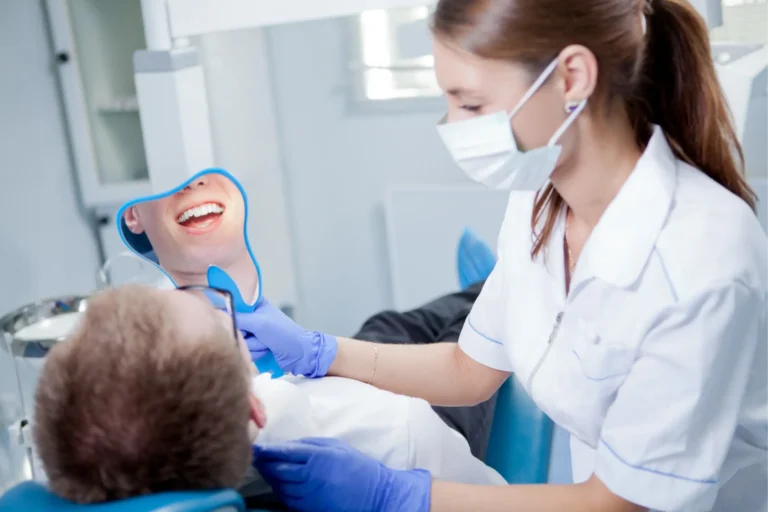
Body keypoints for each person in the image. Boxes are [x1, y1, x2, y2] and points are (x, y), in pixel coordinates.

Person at [237, 0, 768, 511]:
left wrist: (399, 497)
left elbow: (620, 503)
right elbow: (469, 369)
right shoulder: (538, 196)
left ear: (572, 78)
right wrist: (319, 351)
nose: (451, 127)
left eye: (470, 104)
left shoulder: (701, 261)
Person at [32, 285, 502, 507]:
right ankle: (491, 285)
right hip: (432, 415)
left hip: (332, 388)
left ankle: (476, 286)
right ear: (254, 405)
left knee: (386, 326)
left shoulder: (168, 446)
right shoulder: (405, 431)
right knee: (469, 328)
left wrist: (323, 351)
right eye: (226, 325)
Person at [121, 171, 259, 302]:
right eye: (165, 173)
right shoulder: (146, 323)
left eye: (208, 162)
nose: (193, 182)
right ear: (133, 216)